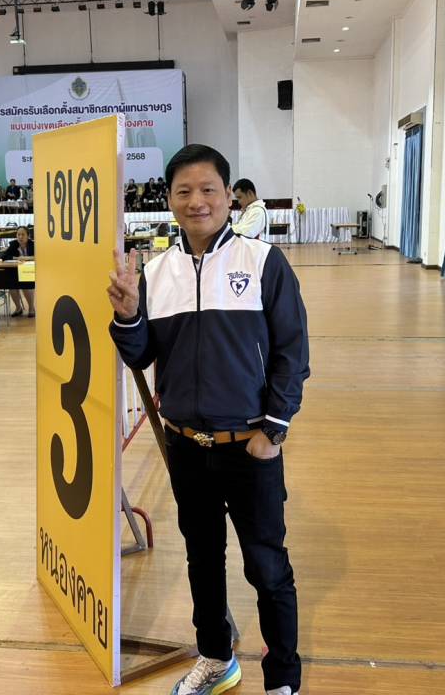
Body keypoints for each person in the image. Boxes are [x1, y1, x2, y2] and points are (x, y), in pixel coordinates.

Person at [107, 144, 309, 695]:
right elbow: (141, 355)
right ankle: (217, 658)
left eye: (208, 190)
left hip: (249, 447)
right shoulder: (155, 271)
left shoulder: (262, 261)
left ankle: (282, 679)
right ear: (170, 200)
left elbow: (293, 351)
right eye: (184, 191)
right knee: (202, 558)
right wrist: (128, 316)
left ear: (228, 196)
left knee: (267, 566)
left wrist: (273, 430)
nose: (197, 201)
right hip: (186, 448)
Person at [1, 226, 35, 317]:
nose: (20, 237)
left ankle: (31, 308)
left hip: (30, 271)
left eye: (23, 234)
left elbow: (39, 256)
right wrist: (17, 258)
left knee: (26, 284)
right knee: (11, 286)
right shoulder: (14, 244)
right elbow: (4, 257)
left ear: (28, 236)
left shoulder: (33, 245)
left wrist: (26, 258)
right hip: (15, 271)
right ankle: (18, 308)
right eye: (18, 234)